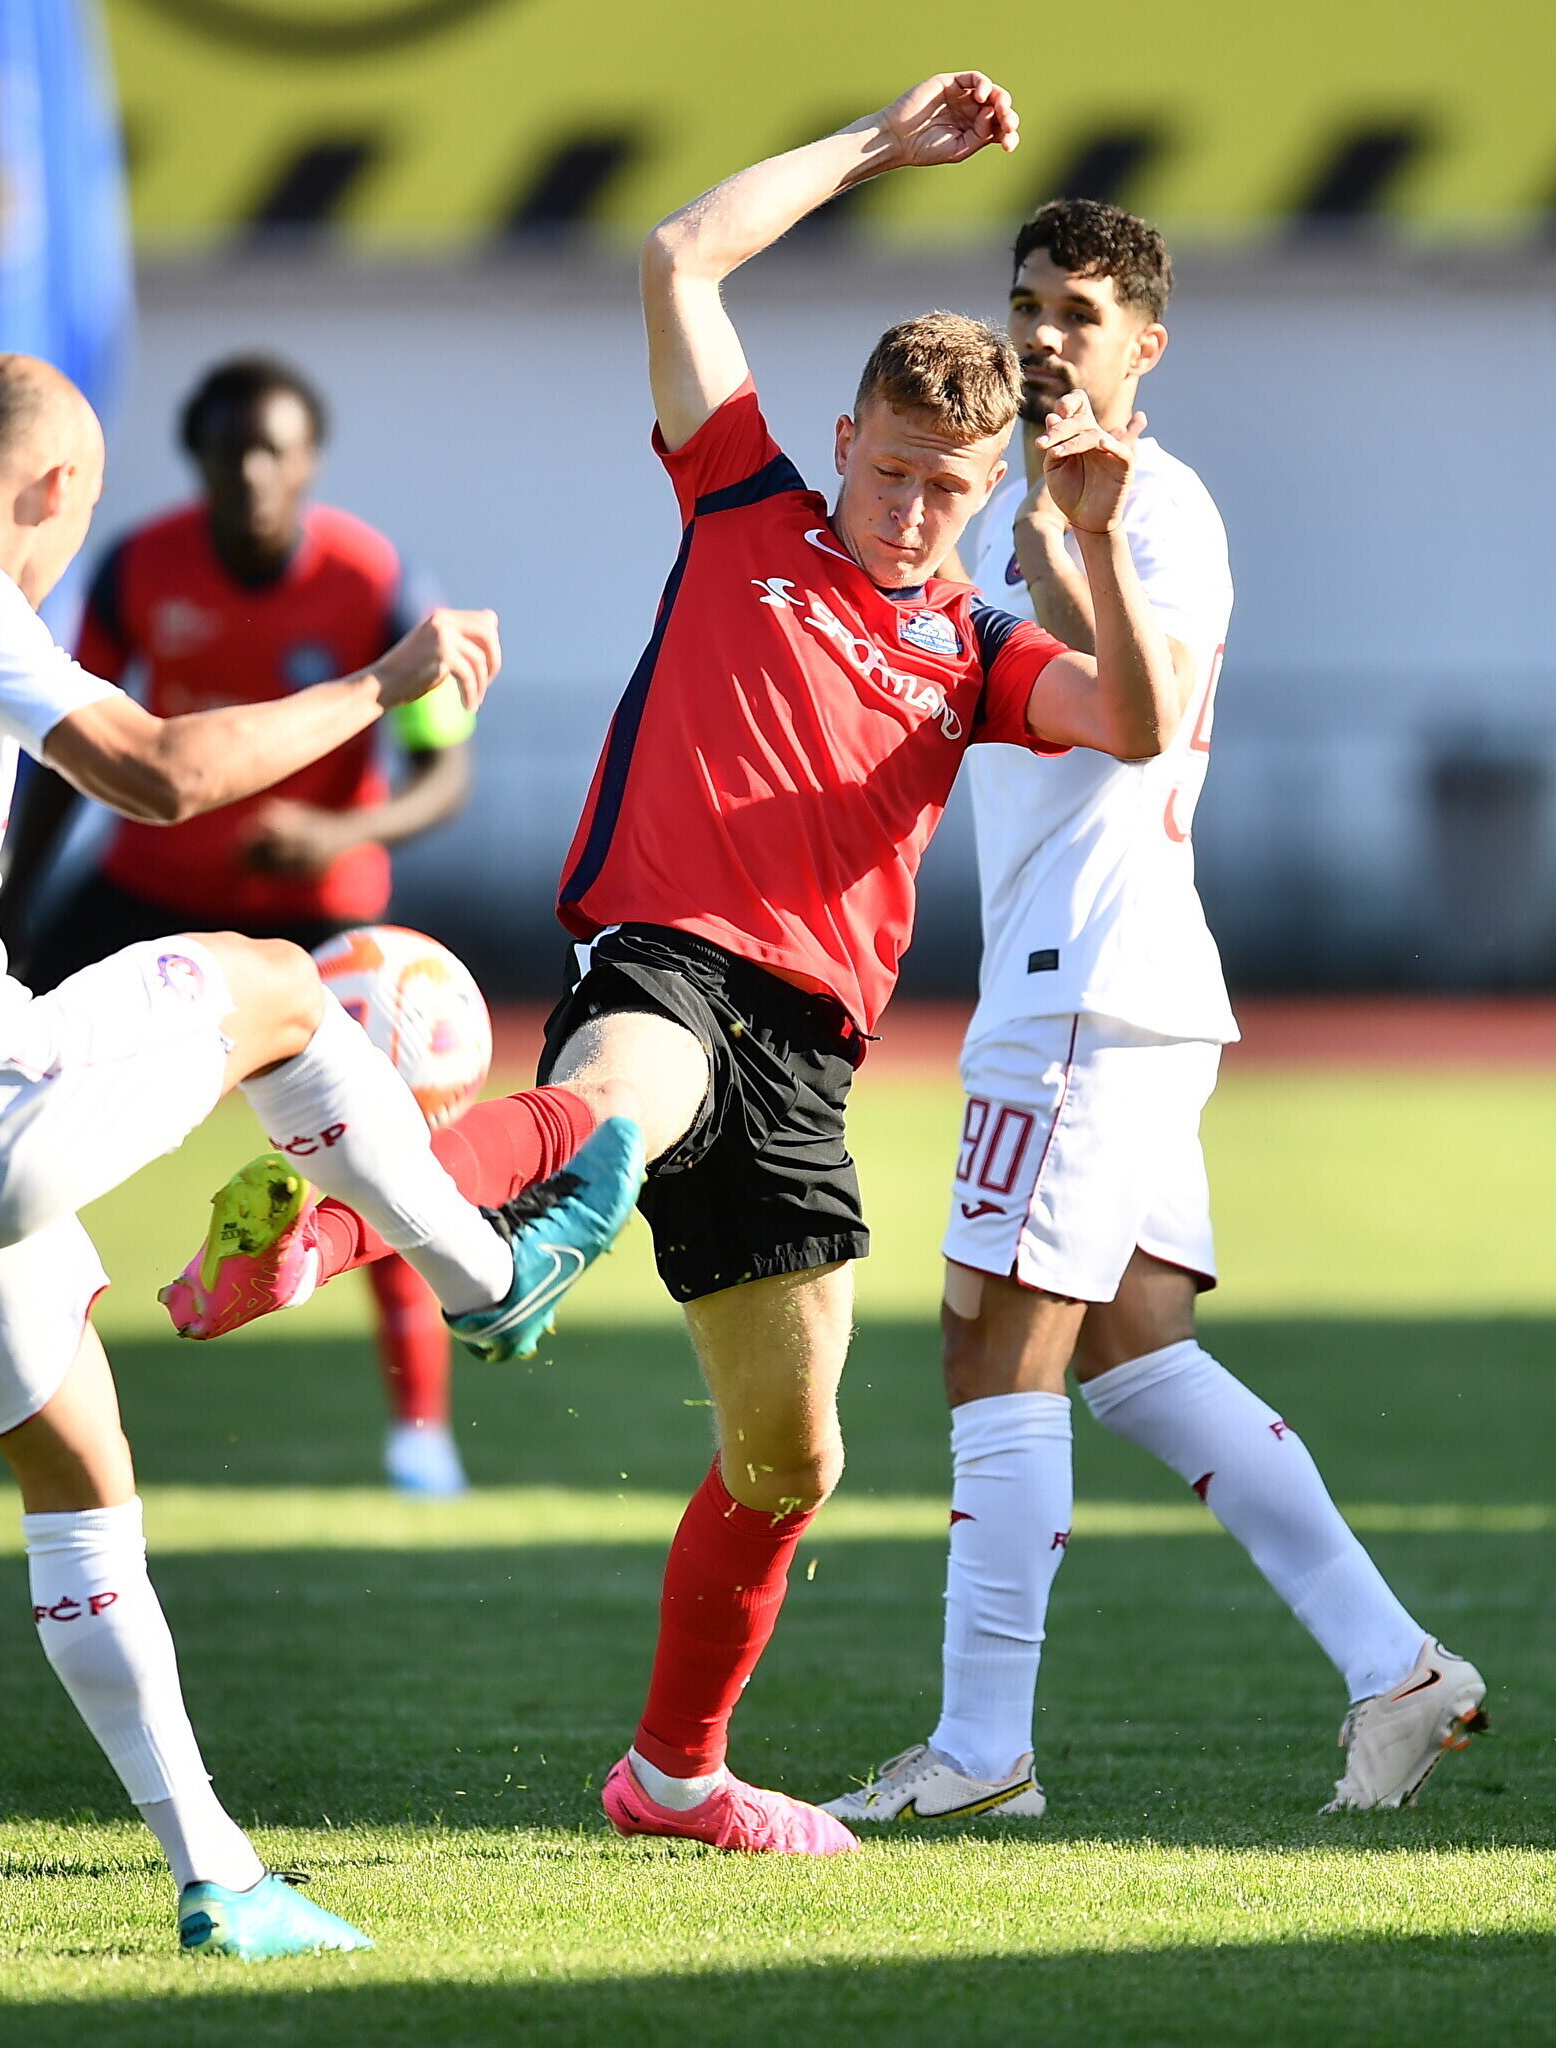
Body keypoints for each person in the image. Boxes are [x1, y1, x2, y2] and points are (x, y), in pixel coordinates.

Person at [167, 75, 1178, 1856]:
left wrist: (1086, 533)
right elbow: (678, 254)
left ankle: (673, 1776)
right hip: (662, 960)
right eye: (888, 471)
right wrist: (877, 148)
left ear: (987, 485)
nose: (910, 513)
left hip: (808, 1062)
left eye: (948, 490)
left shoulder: (977, 647)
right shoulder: (741, 503)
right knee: (609, 1107)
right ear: (840, 436)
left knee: (791, 1462)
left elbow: (1139, 722)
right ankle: (323, 1225)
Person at [0, 352, 641, 1957]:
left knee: (82, 1487)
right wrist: (385, 680)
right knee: (278, 982)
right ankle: (488, 1274)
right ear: (57, 487)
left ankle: (221, 1876)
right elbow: (160, 774)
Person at [820, 202, 1488, 1823]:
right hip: (1108, 980)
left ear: (1143, 345)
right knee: (1131, 1349)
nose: (1042, 335)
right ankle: (1394, 1666)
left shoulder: (1150, 505)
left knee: (992, 1346)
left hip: (1085, 983)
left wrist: (1076, 544)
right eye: (1025, 303)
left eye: (1077, 312)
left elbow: (1146, 702)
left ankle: (981, 1750)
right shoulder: (1011, 503)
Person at [1, 354, 479, 1498]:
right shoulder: (136, 568)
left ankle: (420, 1429)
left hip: (317, 914)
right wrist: (9, 905)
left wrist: (336, 832)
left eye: (274, 451)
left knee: (381, 1154)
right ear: (198, 459)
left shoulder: (375, 581)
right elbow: (69, 749)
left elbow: (445, 772)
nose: (253, 472)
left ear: (308, 461)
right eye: (231, 451)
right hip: (150, 890)